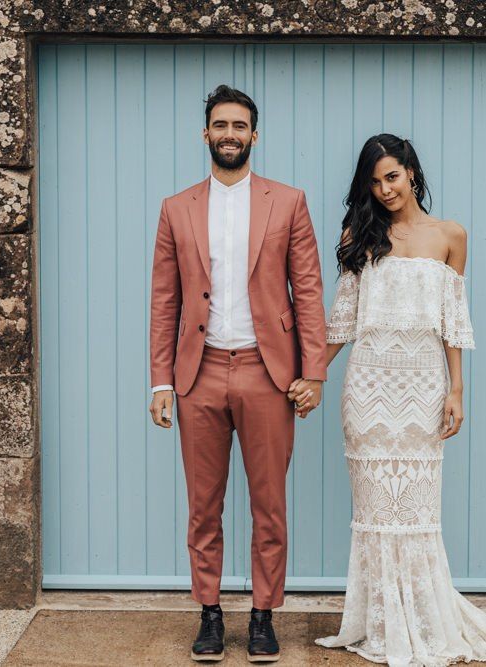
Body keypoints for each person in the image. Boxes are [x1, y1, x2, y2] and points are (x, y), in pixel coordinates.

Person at [289, 134, 485, 666]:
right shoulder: (362, 235)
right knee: (375, 513)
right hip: (368, 391)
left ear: (412, 172)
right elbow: (343, 322)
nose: (385, 189)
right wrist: (313, 376)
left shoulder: (451, 236)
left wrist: (457, 391)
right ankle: (380, 621)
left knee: (419, 511)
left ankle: (422, 617)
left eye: (392, 177)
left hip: (424, 389)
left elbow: (454, 323)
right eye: (374, 182)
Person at [148, 84, 327, 663]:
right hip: (197, 377)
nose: (230, 134)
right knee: (204, 506)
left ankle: (263, 618)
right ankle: (208, 613)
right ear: (206, 134)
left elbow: (309, 291)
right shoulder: (177, 208)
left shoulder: (289, 202)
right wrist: (160, 381)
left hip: (265, 373)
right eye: (220, 125)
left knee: (268, 504)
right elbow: (164, 301)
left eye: (240, 125)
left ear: (255, 134)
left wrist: (314, 371)